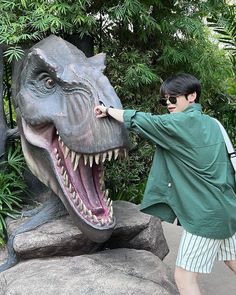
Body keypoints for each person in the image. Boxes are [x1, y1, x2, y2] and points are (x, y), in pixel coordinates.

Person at [94, 73, 236, 295]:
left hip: (204, 216)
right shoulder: (213, 124)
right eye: (164, 100)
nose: (168, 104)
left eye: (173, 99)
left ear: (192, 96)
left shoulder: (178, 124)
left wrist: (108, 110)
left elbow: (141, 120)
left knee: (184, 277)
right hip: (227, 208)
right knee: (232, 258)